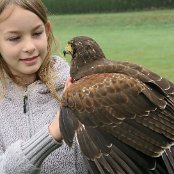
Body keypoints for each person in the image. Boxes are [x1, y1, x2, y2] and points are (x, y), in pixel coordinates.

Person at [0, 0, 89, 173]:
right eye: (15, 38)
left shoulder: (75, 86)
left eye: (37, 33)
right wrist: (52, 132)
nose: (30, 47)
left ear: (47, 31)